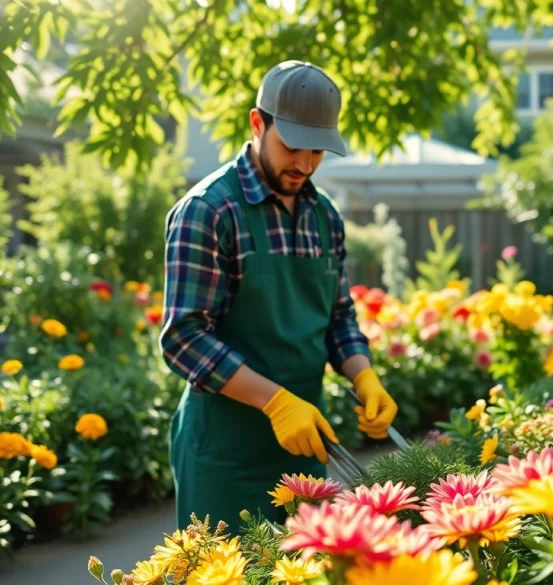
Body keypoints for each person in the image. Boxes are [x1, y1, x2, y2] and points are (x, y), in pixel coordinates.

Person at [158, 60, 398, 529]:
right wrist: (275, 402)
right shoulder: (208, 211)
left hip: (306, 448)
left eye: (318, 152)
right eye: (292, 146)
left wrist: (364, 376)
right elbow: (183, 338)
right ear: (257, 123)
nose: (305, 165)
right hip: (224, 456)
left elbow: (339, 318)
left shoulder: (324, 216)